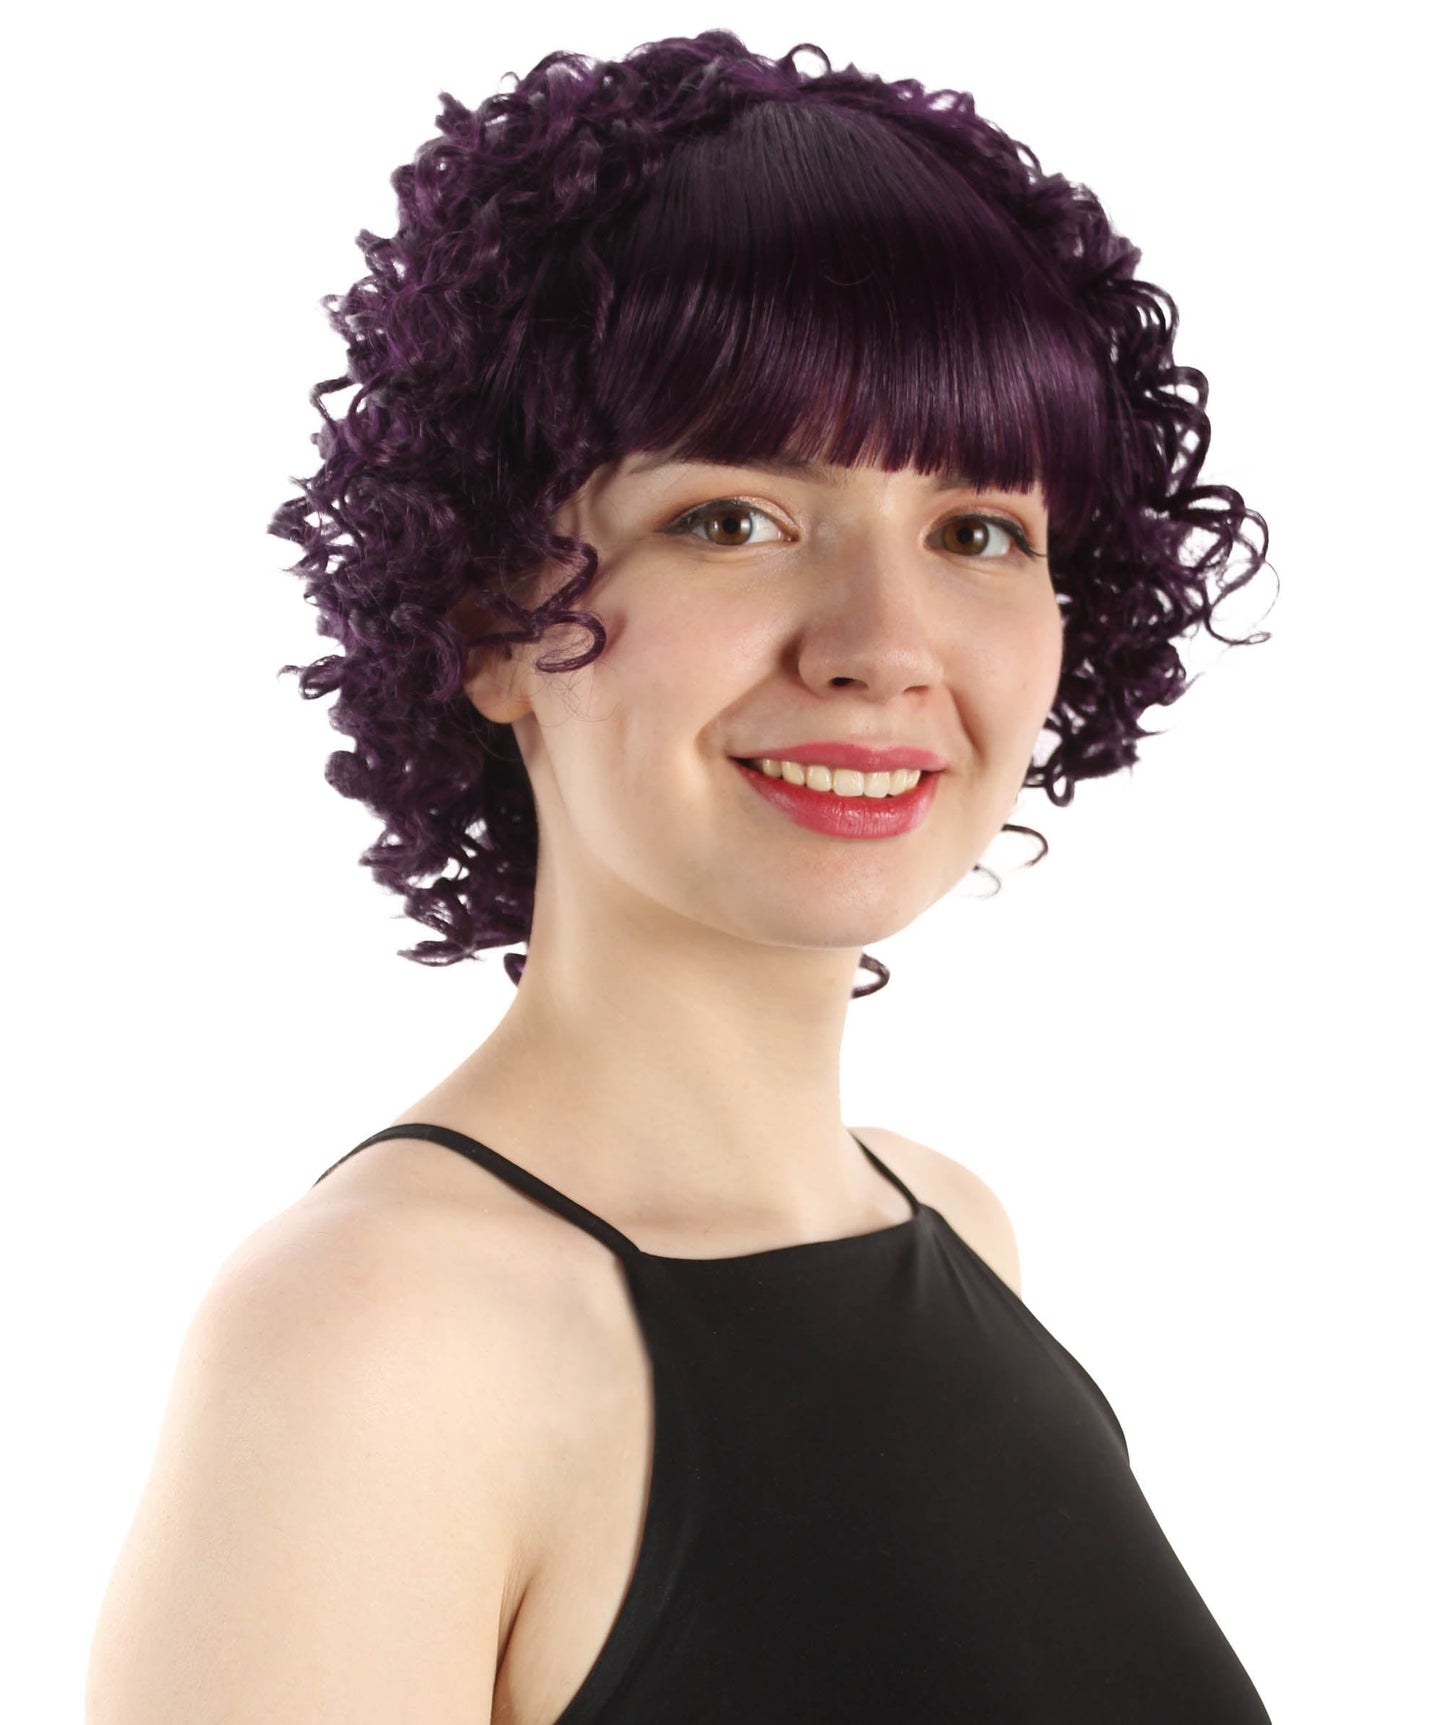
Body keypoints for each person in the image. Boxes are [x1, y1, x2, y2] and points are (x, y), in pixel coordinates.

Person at [86, 30, 1275, 1724]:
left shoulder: (953, 1227)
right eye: (733, 518)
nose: (883, 643)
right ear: (489, 614)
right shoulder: (380, 1338)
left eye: (976, 531)